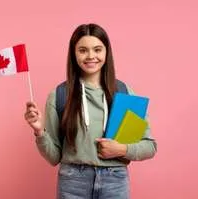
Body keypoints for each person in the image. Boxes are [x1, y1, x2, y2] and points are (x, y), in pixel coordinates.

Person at [24, 23, 157, 199]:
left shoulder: (124, 92)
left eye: (97, 49)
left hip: (115, 181)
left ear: (106, 52)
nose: (91, 56)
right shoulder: (60, 95)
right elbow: (54, 157)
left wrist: (122, 149)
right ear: (74, 53)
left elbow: (149, 146)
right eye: (83, 50)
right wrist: (39, 131)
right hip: (73, 183)